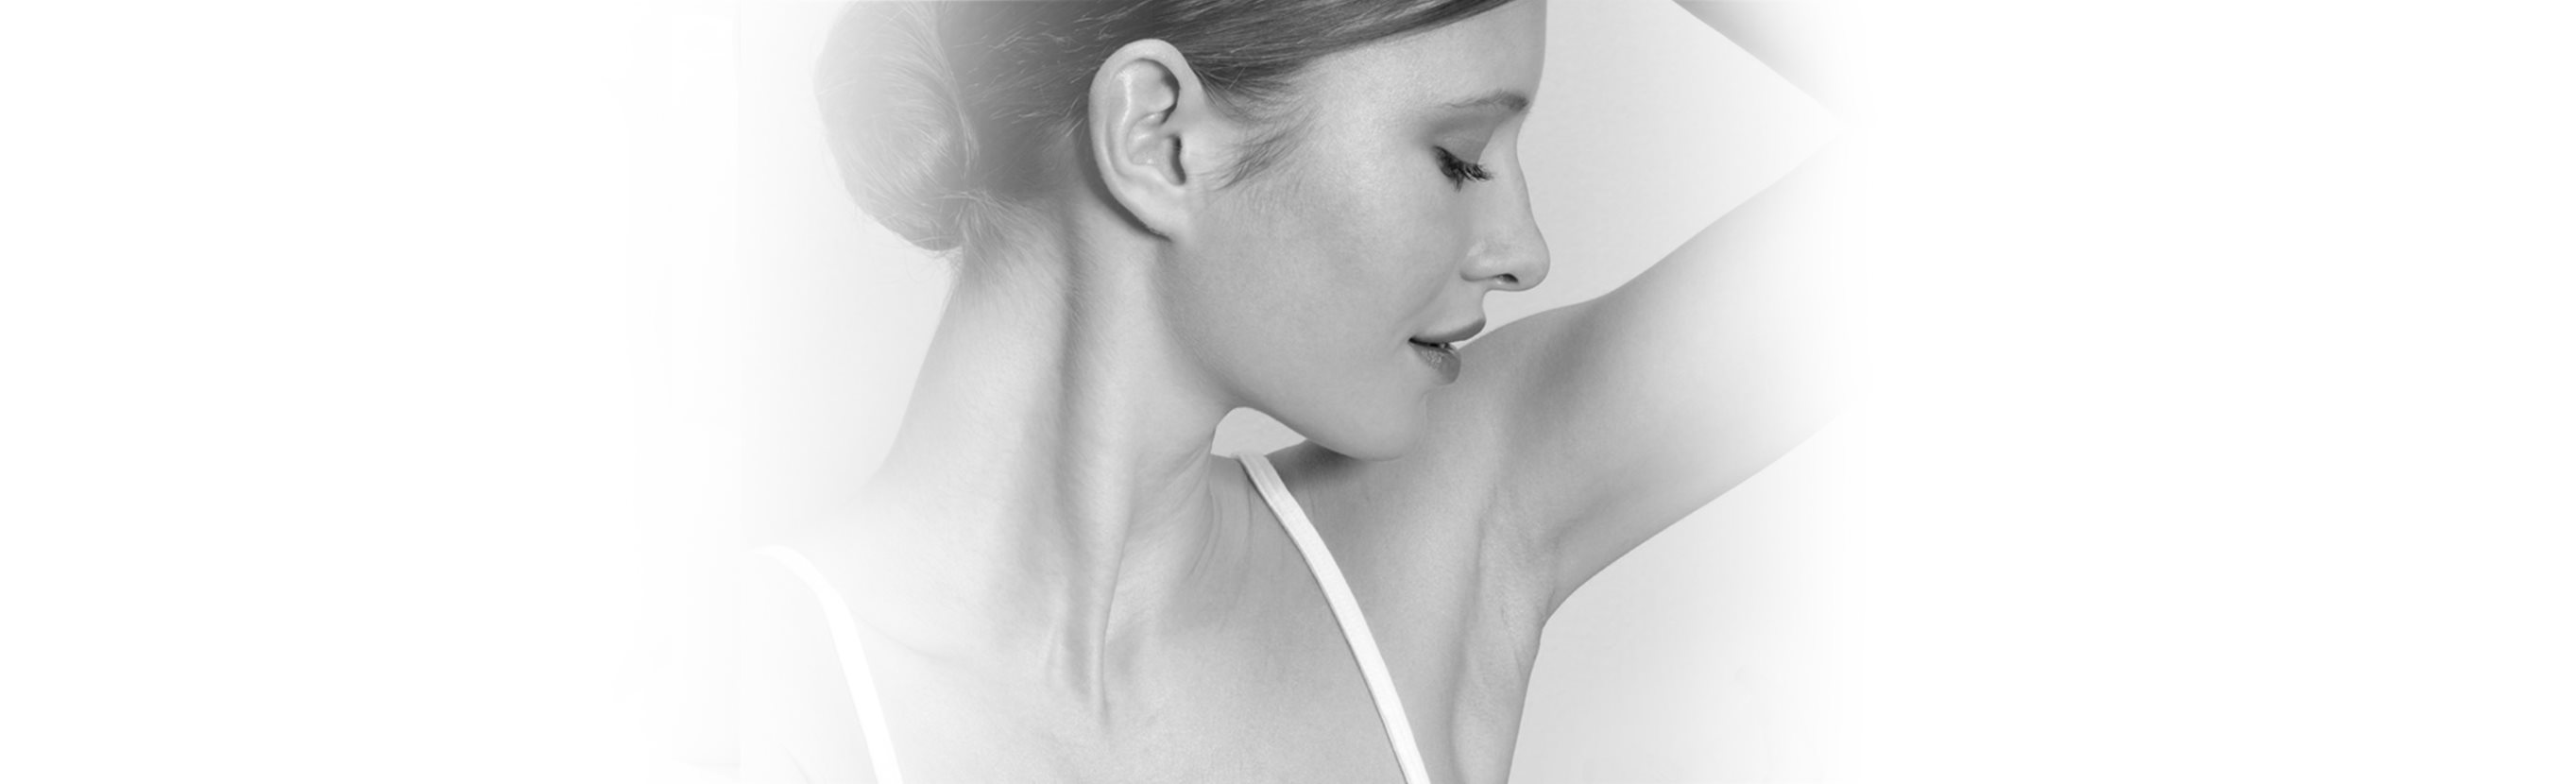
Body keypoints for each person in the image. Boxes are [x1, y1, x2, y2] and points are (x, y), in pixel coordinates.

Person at [733, 0, 1820, 781]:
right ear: (1157, 139)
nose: (1523, 250)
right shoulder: (733, 713)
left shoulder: (1450, 533)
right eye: (1458, 156)